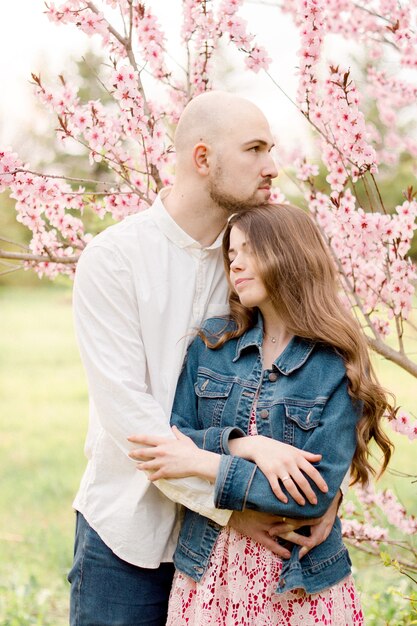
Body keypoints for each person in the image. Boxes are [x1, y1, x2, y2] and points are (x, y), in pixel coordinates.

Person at [70, 92, 341, 626]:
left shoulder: (253, 264)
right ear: (202, 159)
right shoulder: (114, 260)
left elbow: (320, 369)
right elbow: (134, 422)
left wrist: (326, 493)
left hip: (232, 559)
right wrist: (233, 505)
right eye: (255, 149)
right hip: (128, 534)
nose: (272, 167)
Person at [129, 203, 394, 625]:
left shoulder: (335, 364)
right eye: (231, 254)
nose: (236, 264)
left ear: (290, 254)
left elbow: (316, 494)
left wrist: (206, 462)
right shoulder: (211, 345)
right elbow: (175, 440)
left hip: (298, 582)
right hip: (209, 572)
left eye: (249, 250)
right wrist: (246, 446)